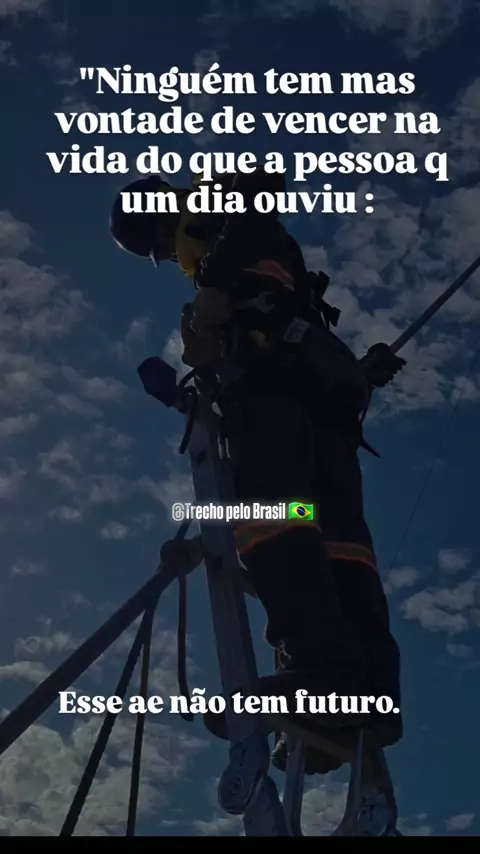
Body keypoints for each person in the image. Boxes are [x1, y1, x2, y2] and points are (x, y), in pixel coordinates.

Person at [109, 168, 405, 774]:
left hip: (274, 393)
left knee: (272, 520)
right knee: (339, 543)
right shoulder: (245, 249)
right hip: (323, 400)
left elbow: (255, 206)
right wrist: (362, 371)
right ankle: (365, 698)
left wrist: (213, 295)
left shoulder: (220, 220)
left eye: (163, 242)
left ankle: (323, 674)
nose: (173, 253)